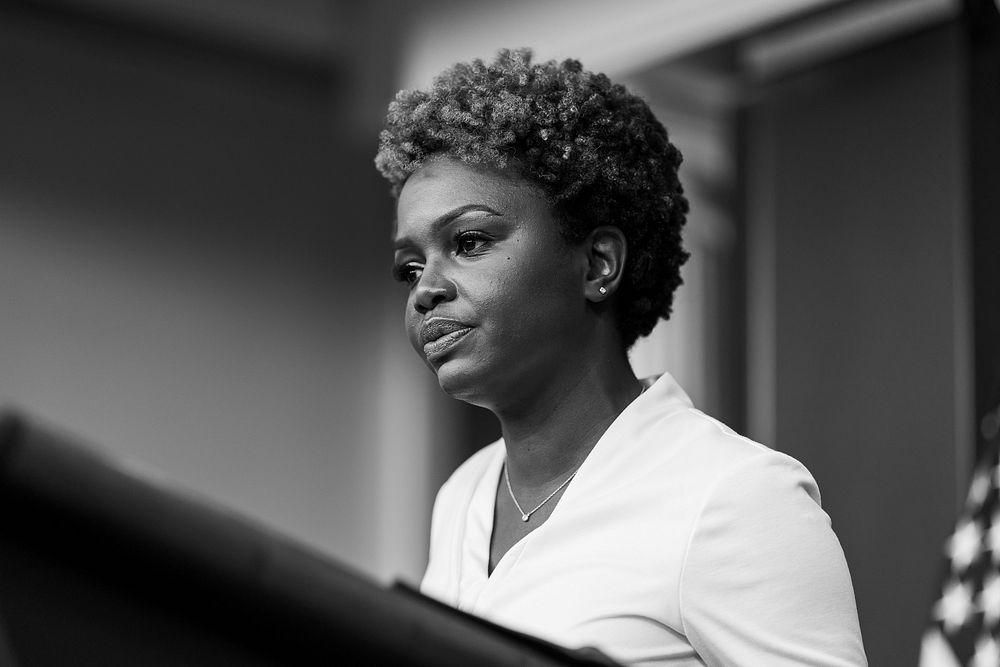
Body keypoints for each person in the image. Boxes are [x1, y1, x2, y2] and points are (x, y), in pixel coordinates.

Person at [376, 48, 867, 667]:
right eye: (410, 267)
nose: (425, 290)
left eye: (469, 242)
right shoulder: (462, 498)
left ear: (598, 263)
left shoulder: (735, 497)